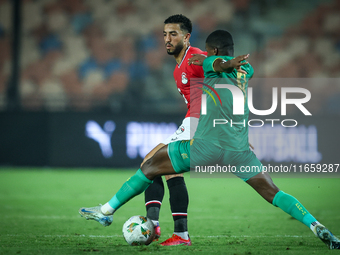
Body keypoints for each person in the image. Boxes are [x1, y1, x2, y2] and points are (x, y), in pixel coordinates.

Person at [79, 30, 340, 250]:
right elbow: (226, 78)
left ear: (212, 50)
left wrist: (222, 62)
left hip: (206, 147)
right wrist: (231, 64)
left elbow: (216, 65)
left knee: (149, 165)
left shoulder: (208, 62)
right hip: (238, 150)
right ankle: (315, 225)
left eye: (207, 51)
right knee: (274, 192)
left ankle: (106, 212)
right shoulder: (246, 69)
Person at [142, 14, 205, 246]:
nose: (167, 39)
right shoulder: (177, 69)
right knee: (168, 170)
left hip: (201, 125)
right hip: (193, 123)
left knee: (150, 162)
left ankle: (152, 225)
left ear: (187, 37)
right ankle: (181, 235)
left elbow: (220, 75)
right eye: (165, 34)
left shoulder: (196, 58)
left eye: (173, 34)